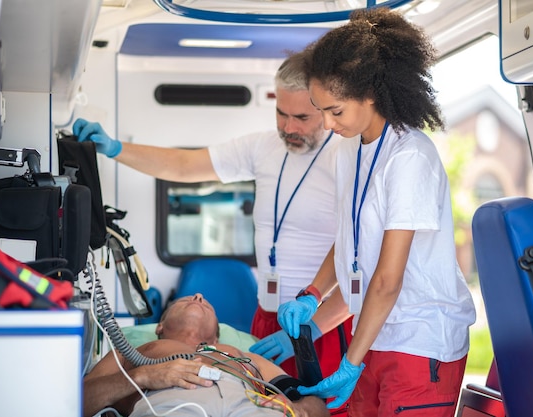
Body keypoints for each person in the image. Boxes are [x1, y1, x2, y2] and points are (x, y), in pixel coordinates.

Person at [72, 52, 353, 381]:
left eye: (302, 117)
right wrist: (117, 148)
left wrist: (315, 329)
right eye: (281, 113)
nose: (289, 127)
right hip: (267, 315)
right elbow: (183, 166)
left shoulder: (344, 158)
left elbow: (362, 264)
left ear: (326, 107)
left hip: (325, 322)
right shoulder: (263, 148)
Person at [275, 8, 477, 417]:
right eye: (321, 111)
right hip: (373, 336)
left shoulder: (409, 156)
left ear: (371, 94)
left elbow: (387, 279)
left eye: (336, 111)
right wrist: (313, 295)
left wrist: (350, 362)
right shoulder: (350, 149)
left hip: (420, 343)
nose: (328, 125)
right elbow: (351, 240)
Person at [83, 293, 329, 417]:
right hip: (172, 407)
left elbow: (317, 405)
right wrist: (143, 376)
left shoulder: (240, 355)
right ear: (159, 327)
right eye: (185, 300)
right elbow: (76, 403)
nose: (199, 296)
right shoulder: (132, 353)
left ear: (216, 337)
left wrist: (300, 410)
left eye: (206, 304)